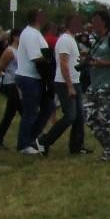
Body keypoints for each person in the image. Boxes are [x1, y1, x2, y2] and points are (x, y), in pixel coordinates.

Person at [40, 13, 92, 156]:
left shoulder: (71, 39)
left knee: (79, 116)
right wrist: (69, 86)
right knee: (70, 116)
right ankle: (44, 141)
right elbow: (63, 64)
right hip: (65, 83)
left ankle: (77, 146)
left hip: (75, 81)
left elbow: (70, 62)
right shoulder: (64, 40)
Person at [83, 9, 110, 162]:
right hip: (95, 85)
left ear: (103, 21)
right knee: (89, 116)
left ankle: (109, 151)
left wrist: (104, 64)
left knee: (107, 120)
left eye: (95, 21)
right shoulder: (98, 39)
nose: (92, 24)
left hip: (109, 85)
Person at [14, 9, 54, 155]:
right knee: (30, 112)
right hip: (29, 77)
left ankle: (32, 139)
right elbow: (35, 57)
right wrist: (51, 58)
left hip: (36, 78)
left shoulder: (35, 34)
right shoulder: (30, 34)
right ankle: (24, 145)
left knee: (48, 107)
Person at [0, 29, 21, 150]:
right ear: (15, 37)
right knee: (24, 111)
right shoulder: (9, 51)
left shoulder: (21, 51)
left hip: (19, 84)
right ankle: (30, 139)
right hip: (10, 84)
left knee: (9, 114)